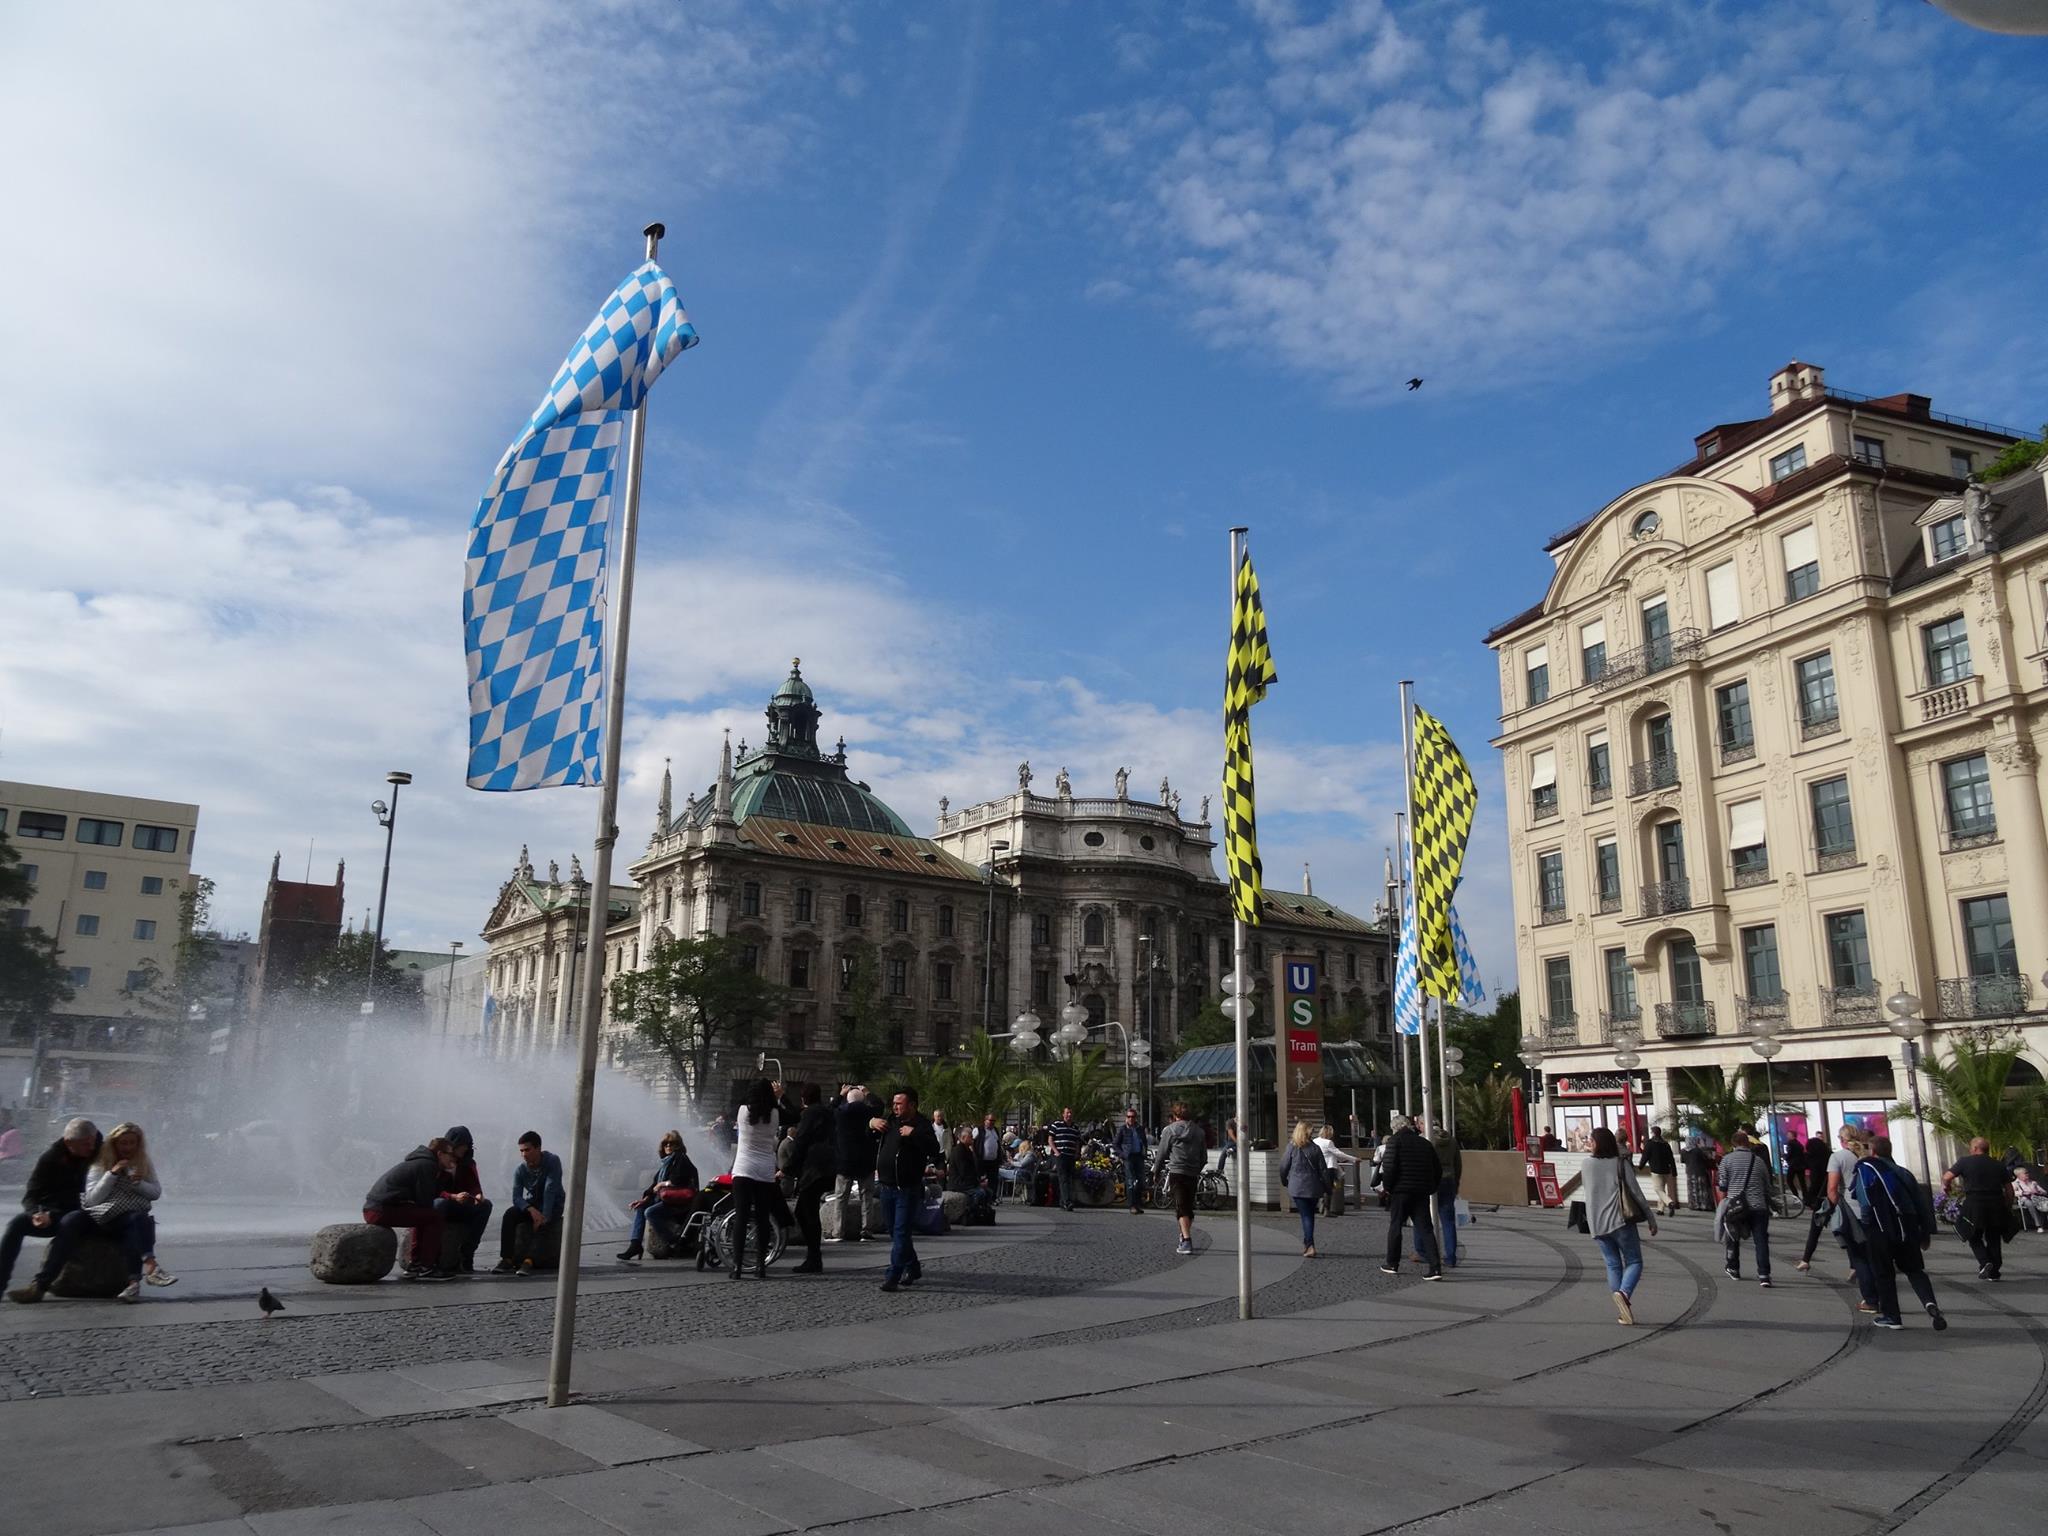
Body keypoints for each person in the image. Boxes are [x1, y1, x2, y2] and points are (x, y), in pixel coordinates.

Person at [3, 1118, 100, 1303]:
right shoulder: (51, 1159)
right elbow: (31, 1195)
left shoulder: (100, 1150)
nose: (91, 1147)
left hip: (91, 1214)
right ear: (68, 1143)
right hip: (56, 1214)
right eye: (85, 1144)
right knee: (16, 1224)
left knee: (70, 1220)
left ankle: (39, 1286)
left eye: (93, 1142)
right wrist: (36, 1213)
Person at [1856, 1136, 1947, 1332]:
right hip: (1907, 1225)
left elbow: (1865, 1204)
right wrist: (1925, 1232)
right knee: (1915, 1270)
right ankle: (1929, 1302)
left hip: (1880, 1228)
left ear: (1873, 1152)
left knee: (1884, 1273)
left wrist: (1866, 1230)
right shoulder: (1904, 1172)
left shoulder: (1867, 1170)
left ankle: (1892, 1316)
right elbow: (1921, 1203)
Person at [81, 1122, 173, 1302]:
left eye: (132, 1143)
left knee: (138, 1223)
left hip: (130, 1219)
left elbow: (155, 1193)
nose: (128, 1147)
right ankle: (150, 1268)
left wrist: (139, 1184)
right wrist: (112, 1174)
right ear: (114, 1144)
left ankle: (134, 1285)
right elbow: (92, 1200)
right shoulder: (100, 1163)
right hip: (106, 1219)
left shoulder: (142, 1162)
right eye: (123, 1143)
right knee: (140, 1222)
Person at [1581, 1125, 1658, 1324]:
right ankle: (1623, 1294)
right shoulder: (1620, 1164)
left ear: (1598, 1143)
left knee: (1612, 1263)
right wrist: (1650, 1218)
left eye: (1591, 1140)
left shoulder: (1586, 1164)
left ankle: (1622, 1308)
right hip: (1620, 1220)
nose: (1590, 1143)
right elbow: (1636, 1192)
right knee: (1634, 1261)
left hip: (1597, 1223)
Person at [873, 1087, 941, 1292]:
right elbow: (869, 1132)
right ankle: (913, 1266)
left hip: (907, 1188)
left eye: (899, 1104)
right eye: (893, 1104)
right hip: (886, 1186)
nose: (895, 1107)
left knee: (901, 1232)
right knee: (894, 1232)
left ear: (912, 1105)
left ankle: (893, 1276)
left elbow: (934, 1148)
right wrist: (871, 1123)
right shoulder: (891, 1121)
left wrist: (914, 1134)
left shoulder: (922, 1124)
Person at [1378, 1115, 1443, 1280]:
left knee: (1396, 1226)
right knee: (1426, 1229)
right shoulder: (1424, 1143)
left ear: (1395, 1128)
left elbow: (1389, 1167)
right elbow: (1437, 1168)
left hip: (1400, 1191)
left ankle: (1392, 1263)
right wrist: (1431, 1187)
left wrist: (1388, 1188)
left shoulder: (1394, 1142)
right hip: (1421, 1192)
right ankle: (1435, 1268)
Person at [728, 1078, 781, 1280]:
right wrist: (778, 1097)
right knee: (762, 1218)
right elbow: (792, 1115)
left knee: (741, 1218)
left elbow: (736, 1107)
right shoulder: (775, 1113)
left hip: (743, 1168)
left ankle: (737, 1266)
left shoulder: (743, 1111)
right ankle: (760, 1265)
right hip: (765, 1169)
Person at [617, 1129, 696, 1263]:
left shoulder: (681, 1159)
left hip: (679, 1203)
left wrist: (662, 1184)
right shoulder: (667, 1162)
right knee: (641, 1208)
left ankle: (674, 1241)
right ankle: (635, 1245)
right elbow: (654, 1185)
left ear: (678, 1146)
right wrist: (645, 1199)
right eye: (665, 1144)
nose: (668, 1146)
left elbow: (678, 1180)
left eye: (672, 1144)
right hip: (667, 1200)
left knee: (650, 1212)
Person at [1944, 1136, 2015, 1280]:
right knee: (1993, 1237)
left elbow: (1947, 1177)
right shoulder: (1998, 1164)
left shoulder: (1965, 1162)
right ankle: (1994, 1272)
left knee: (1973, 1234)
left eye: (1971, 1147)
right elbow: (2009, 1189)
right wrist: (2007, 1205)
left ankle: (1985, 1261)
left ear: (1975, 1148)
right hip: (1996, 1203)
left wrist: (1946, 1188)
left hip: (1974, 1203)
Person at [493, 1131, 563, 1274]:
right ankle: (507, 1258)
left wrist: (544, 1215)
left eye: (527, 1150)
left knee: (544, 1223)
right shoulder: (520, 1170)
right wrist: (530, 1209)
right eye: (521, 1151)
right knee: (510, 1214)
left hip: (553, 1205)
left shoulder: (552, 1161)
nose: (524, 1154)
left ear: (538, 1148)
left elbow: (550, 1189)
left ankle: (529, 1261)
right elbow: (516, 1197)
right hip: (533, 1205)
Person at [783, 1087, 837, 1273]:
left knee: (806, 1212)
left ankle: (814, 1257)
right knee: (806, 1211)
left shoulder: (810, 1114)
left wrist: (787, 1168)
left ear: (803, 1098)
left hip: (814, 1169)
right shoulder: (826, 1112)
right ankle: (813, 1256)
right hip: (827, 1167)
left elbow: (802, 1141)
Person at [1715, 1129, 1774, 1285]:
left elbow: (1723, 1186)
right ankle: (1764, 1274)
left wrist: (1724, 1204)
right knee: (1761, 1240)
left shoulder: (1726, 1160)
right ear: (1748, 1143)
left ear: (1733, 1144)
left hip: (1736, 1206)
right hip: (1758, 1205)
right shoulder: (1758, 1161)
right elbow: (1767, 1186)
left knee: (1733, 1237)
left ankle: (1733, 1267)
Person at [1150, 1101, 1207, 1255]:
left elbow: (1162, 1153)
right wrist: (1196, 1169)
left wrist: (1156, 1171)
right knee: (1188, 1206)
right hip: (1192, 1173)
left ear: (1175, 1115)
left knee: (1181, 1206)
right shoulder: (1199, 1132)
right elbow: (1203, 1157)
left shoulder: (1170, 1130)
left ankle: (1186, 1240)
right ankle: (1183, 1235)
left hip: (1177, 1171)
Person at [435, 1126, 493, 1274]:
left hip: (459, 1206)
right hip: (442, 1203)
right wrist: (452, 1196)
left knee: (485, 1206)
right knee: (440, 1204)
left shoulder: (468, 1163)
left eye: (468, 1145)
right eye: (463, 1145)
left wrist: (477, 1195)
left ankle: (467, 1253)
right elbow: (431, 1190)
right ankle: (433, 1258)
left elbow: (474, 1185)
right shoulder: (438, 1161)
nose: (466, 1148)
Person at [834, 1085, 881, 1240]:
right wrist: (868, 1092)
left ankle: (838, 1231)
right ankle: (866, 1230)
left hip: (845, 1160)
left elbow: (830, 1109)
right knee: (866, 1197)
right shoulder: (869, 1112)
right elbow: (879, 1106)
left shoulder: (840, 1113)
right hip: (865, 1160)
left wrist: (840, 1095)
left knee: (841, 1198)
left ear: (848, 1099)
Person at [1280, 1121, 1329, 1257]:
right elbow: (1323, 1170)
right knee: (1309, 1216)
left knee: (1306, 1216)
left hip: (1297, 1187)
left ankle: (1309, 1245)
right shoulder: (1315, 1148)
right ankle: (1308, 1243)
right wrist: (1327, 1187)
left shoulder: (1292, 1147)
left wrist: (1284, 1181)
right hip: (1313, 1187)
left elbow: (1283, 1167)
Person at [1794, 1135, 1834, 1271]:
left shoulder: (1814, 1162)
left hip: (1821, 1200)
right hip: (1835, 1197)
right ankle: (1853, 1265)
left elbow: (1815, 1183)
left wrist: (1809, 1199)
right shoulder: (1831, 1157)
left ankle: (1806, 1259)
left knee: (1814, 1231)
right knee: (1844, 1231)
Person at [1429, 1117, 1463, 1268]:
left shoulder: (1427, 1140)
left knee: (1423, 1219)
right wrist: (1456, 1183)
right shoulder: (1452, 1141)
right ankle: (1451, 1256)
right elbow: (1458, 1164)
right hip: (1449, 1179)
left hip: (1432, 1180)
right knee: (1448, 1221)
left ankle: (1424, 1252)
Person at [1314, 1124, 1358, 1215]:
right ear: (1329, 1133)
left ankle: (1321, 1205)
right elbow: (1338, 1153)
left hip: (1318, 1168)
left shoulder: (1315, 1141)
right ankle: (1326, 1209)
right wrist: (1354, 1159)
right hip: (1329, 1168)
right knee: (1329, 1188)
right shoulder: (1328, 1142)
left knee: (1321, 1187)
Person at [1045, 1107, 1082, 1211]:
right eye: (1067, 1113)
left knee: (1069, 1179)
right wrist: (1056, 1152)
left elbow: (1077, 1142)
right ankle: (1067, 1202)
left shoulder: (1075, 1127)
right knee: (1063, 1178)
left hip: (1071, 1156)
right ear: (1063, 1114)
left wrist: (1077, 1153)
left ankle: (1063, 1201)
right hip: (1061, 1156)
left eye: (1070, 1113)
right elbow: (1050, 1140)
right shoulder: (1056, 1125)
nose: (1069, 1115)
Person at [1111, 1108, 1148, 1214]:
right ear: (1126, 1118)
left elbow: (1144, 1142)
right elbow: (1115, 1144)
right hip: (1128, 1157)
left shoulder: (1140, 1129)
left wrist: (1144, 1152)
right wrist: (1122, 1155)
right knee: (1130, 1181)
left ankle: (1138, 1204)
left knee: (1141, 1181)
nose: (1131, 1118)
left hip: (1139, 1156)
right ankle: (1132, 1205)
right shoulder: (1123, 1129)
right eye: (1129, 1116)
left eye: (1133, 1116)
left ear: (1136, 1118)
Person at [1640, 1126, 1678, 1216]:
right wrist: (1674, 1170)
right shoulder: (1665, 1144)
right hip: (1666, 1170)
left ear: (1653, 1133)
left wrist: (1641, 1166)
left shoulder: (1650, 1144)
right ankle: (1660, 1209)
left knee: (1657, 1189)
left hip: (1655, 1170)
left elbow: (1645, 1156)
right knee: (1662, 1189)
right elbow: (1671, 1158)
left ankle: (1670, 1203)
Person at [1683, 1132, 1718, 1212]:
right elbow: (1705, 1159)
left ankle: (1694, 1204)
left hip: (1689, 1172)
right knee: (1702, 1189)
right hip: (1700, 1171)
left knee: (1692, 1189)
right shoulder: (1698, 1150)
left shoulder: (1683, 1151)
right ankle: (1704, 1205)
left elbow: (1683, 1160)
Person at [2014, 1165, 2048, 1233]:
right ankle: (2038, 1225)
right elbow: (2013, 1193)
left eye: (2027, 1173)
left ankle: (2043, 1223)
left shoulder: (2032, 1182)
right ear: (2019, 1175)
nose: (2027, 1174)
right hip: (2024, 1199)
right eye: (2025, 1173)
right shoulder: (2015, 1183)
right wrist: (2023, 1192)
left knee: (2044, 1203)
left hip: (2036, 1199)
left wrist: (2037, 1189)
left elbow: (2044, 1192)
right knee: (2030, 1203)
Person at [977, 1114, 1003, 1199]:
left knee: (993, 1180)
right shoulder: (979, 1130)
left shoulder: (995, 1130)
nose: (992, 1122)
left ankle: (992, 1198)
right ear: (985, 1121)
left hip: (993, 1161)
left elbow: (998, 1143)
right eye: (990, 1120)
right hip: (982, 1160)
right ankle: (982, 1197)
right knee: (981, 1179)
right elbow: (973, 1143)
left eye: (993, 1121)